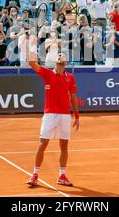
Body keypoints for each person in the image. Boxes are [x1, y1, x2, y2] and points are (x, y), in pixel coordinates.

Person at [27, 50, 79, 188]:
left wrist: (77, 116)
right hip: (50, 115)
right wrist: (32, 47)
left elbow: (73, 97)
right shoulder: (47, 73)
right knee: (43, 143)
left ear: (65, 63)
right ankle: (35, 174)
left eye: (62, 60)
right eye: (58, 60)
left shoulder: (71, 78)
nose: (60, 61)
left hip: (65, 115)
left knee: (64, 146)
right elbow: (31, 63)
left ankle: (62, 175)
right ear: (55, 62)